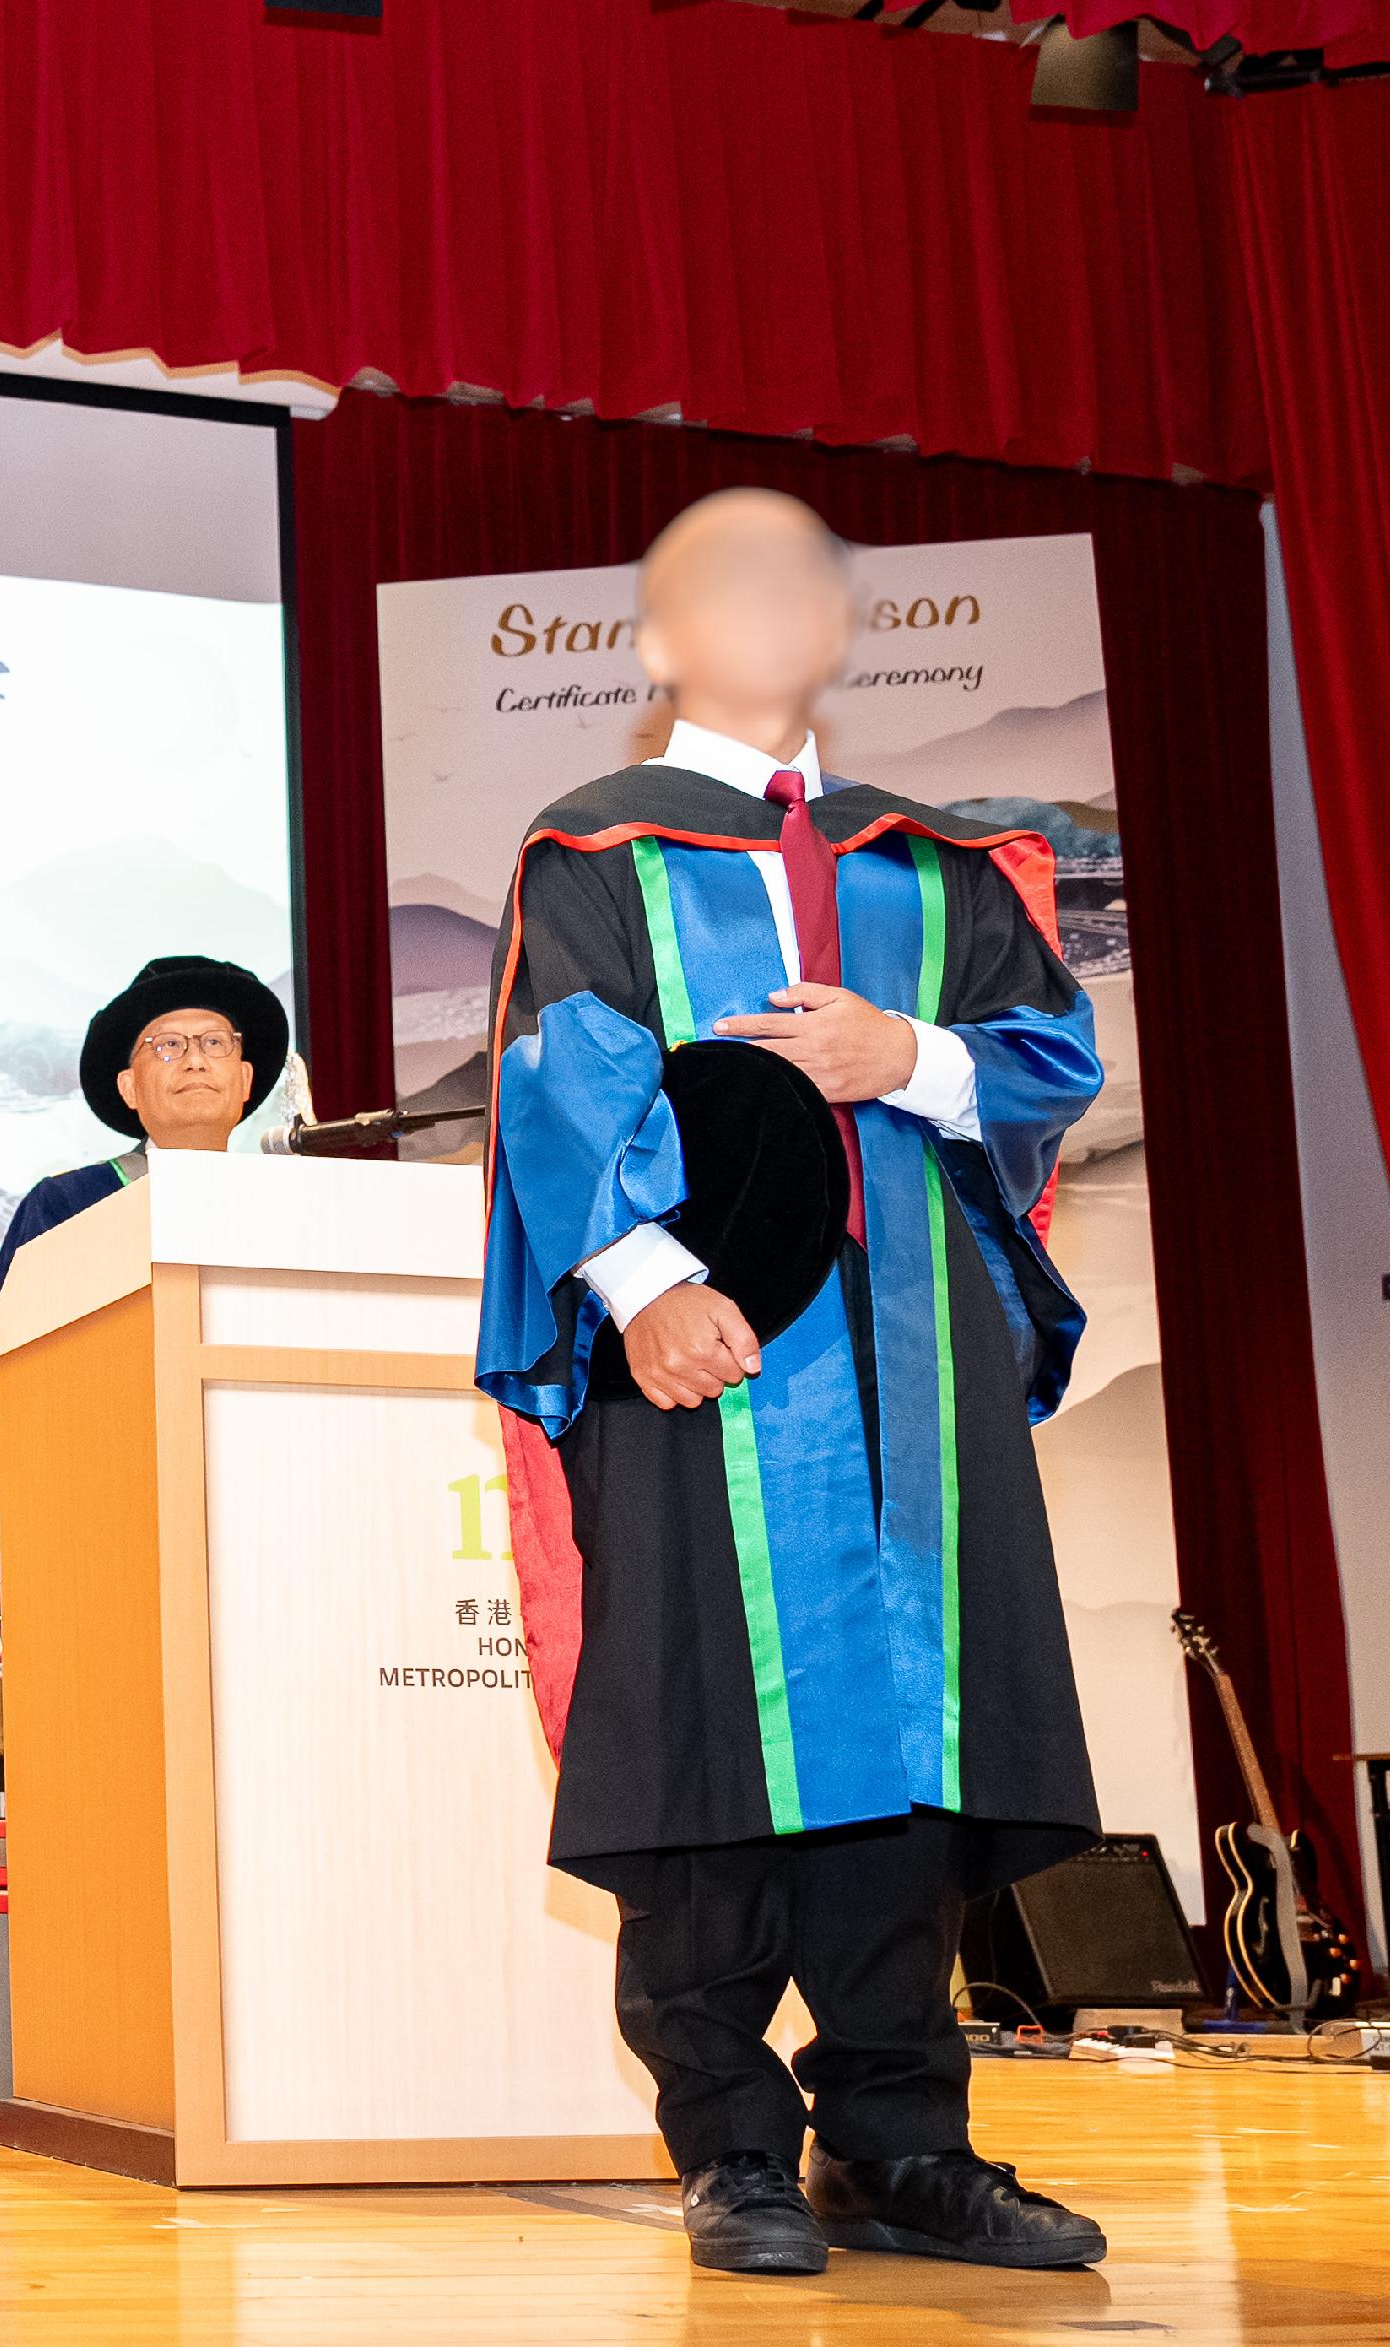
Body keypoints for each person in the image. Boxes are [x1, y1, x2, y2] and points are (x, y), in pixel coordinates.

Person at [477, 490, 1112, 2275]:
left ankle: (905, 2146)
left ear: (844, 630)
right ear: (655, 638)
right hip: (713, 1372)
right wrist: (648, 1280)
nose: (764, 612)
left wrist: (899, 1052)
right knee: (705, 1729)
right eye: (717, 585)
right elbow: (557, 1068)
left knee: (914, 1753)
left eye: (798, 583)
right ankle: (733, 2142)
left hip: (913, 1374)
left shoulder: (936, 865)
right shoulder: (596, 852)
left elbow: (1048, 1056)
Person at [0, 954, 287, 1554]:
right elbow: (6, 1370)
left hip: (274, 1496)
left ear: (244, 1080)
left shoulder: (299, 1206)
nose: (194, 1058)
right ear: (129, 1088)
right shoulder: (69, 1204)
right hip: (109, 1506)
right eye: (166, 1045)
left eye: (215, 1042)